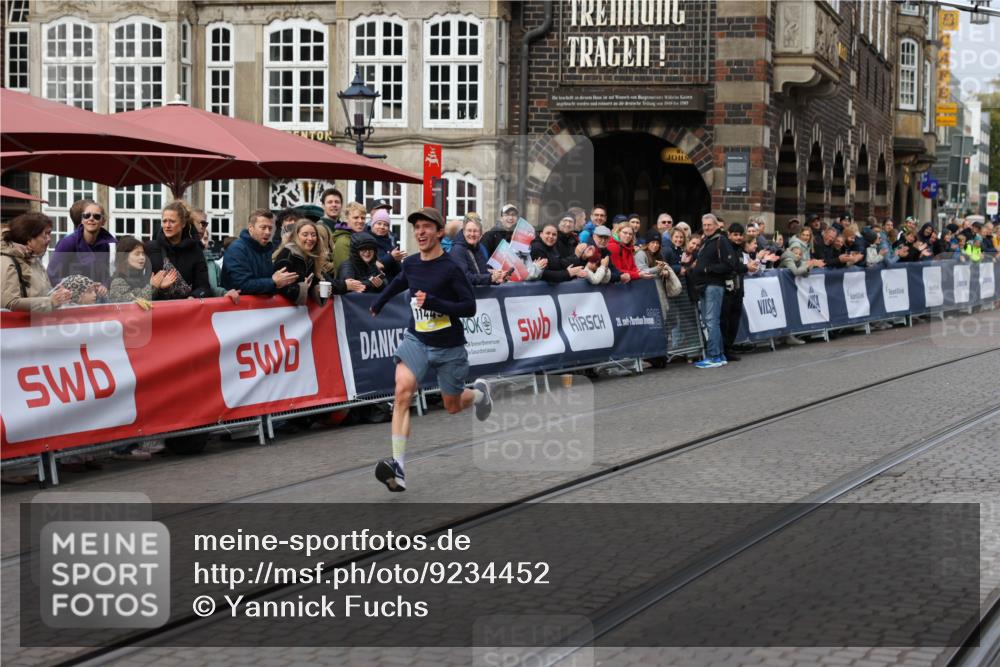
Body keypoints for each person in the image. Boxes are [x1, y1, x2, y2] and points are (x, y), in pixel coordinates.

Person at [369, 207, 494, 492]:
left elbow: (469, 308)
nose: (420, 232)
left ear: (439, 232)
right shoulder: (411, 263)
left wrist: (434, 302)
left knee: (452, 405)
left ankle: (478, 395)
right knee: (402, 392)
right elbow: (401, 281)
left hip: (449, 346)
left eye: (427, 227)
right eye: (417, 228)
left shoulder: (452, 268)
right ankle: (398, 467)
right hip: (417, 340)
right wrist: (379, 302)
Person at [148, 201, 224, 300]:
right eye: (164, 221)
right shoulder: (151, 249)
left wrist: (193, 297)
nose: (167, 225)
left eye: (172, 221)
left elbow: (204, 286)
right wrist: (152, 286)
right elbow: (134, 289)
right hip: (156, 312)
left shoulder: (195, 251)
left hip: (185, 311)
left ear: (183, 223)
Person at [1, 212, 73, 312]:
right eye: (45, 234)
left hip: (37, 325)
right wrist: (50, 302)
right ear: (29, 238)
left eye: (50, 234)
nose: (49, 239)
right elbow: (9, 303)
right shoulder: (6, 260)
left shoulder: (34, 259)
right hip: (21, 326)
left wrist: (56, 294)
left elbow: (40, 294)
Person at [691, 213, 737, 368]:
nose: (706, 227)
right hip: (705, 286)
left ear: (717, 225)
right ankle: (719, 354)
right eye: (704, 225)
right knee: (711, 321)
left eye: (709, 225)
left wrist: (706, 269)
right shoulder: (708, 241)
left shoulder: (721, 241)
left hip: (714, 286)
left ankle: (714, 356)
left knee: (711, 321)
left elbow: (730, 264)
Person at [219, 208, 294, 296]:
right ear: (251, 228)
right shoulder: (236, 249)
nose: (268, 232)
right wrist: (273, 282)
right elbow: (242, 285)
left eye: (270, 228)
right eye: (263, 228)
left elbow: (270, 282)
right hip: (237, 308)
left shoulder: (266, 248)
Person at [47, 199, 115, 290]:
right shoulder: (67, 243)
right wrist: (81, 287)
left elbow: (105, 275)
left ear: (103, 221)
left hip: (97, 299)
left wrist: (105, 285)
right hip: (71, 301)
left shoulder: (104, 245)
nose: (91, 218)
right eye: (87, 216)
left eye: (97, 216)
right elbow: (52, 277)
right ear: (82, 220)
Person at [272, 219, 327, 304]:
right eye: (305, 235)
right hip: (283, 311)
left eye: (313, 235)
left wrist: (318, 290)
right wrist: (302, 288)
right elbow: (282, 286)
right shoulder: (288, 254)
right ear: (296, 236)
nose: (310, 238)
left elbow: (313, 281)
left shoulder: (312, 256)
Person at [108, 235, 172, 304]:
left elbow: (151, 303)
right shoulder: (117, 281)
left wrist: (160, 287)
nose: (142, 257)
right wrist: (153, 286)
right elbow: (132, 306)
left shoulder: (142, 278)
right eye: (137, 254)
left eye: (143, 254)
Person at [450, 217, 505, 286]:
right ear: (463, 232)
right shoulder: (457, 250)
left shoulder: (478, 248)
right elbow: (464, 277)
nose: (472, 234)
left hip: (479, 294)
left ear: (481, 234)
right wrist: (490, 278)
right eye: (469, 231)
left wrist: (497, 276)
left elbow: (483, 272)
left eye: (475, 231)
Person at [369, 208, 405, 279]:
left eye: (385, 225)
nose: (382, 227)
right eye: (379, 223)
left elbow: (396, 269)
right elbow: (374, 265)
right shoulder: (367, 241)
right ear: (373, 225)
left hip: (393, 284)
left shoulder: (389, 241)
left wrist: (400, 262)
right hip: (378, 285)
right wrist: (391, 257)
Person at [331, 201, 366, 269]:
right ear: (347, 219)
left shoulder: (361, 238)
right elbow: (345, 272)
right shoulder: (343, 242)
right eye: (356, 217)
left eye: (363, 218)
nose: (360, 221)